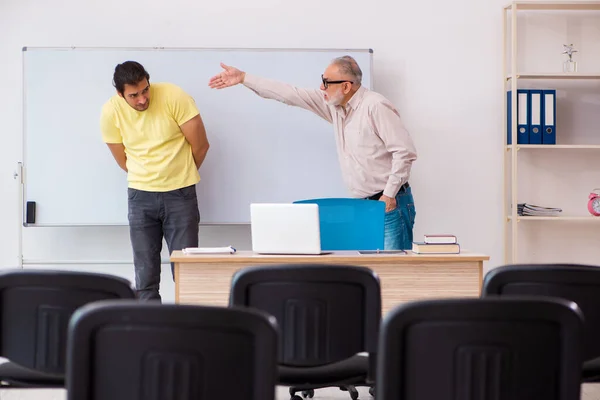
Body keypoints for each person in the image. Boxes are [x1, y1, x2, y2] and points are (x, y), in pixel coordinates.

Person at [208, 56, 417, 250]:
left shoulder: (375, 106)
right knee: (371, 272)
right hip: (362, 205)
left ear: (346, 86)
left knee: (394, 275)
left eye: (326, 82)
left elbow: (404, 152)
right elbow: (290, 93)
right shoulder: (335, 107)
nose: (321, 87)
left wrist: (388, 195)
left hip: (389, 204)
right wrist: (244, 78)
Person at [100, 61, 210, 301]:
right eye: (133, 95)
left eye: (145, 90)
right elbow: (123, 161)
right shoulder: (110, 112)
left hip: (180, 194)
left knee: (186, 275)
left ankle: (188, 334)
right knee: (145, 278)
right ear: (120, 94)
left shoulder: (174, 95)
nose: (142, 99)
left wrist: (178, 175)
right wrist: (150, 177)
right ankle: (150, 335)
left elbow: (201, 145)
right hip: (140, 197)